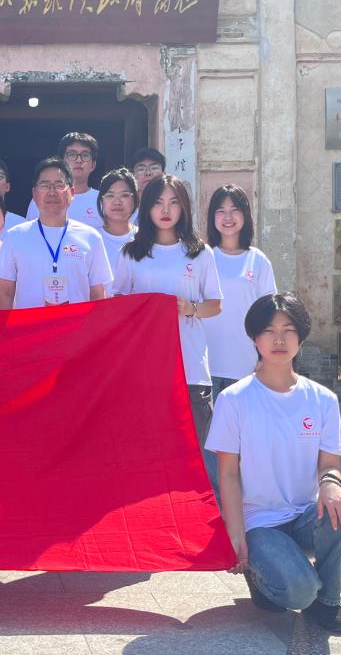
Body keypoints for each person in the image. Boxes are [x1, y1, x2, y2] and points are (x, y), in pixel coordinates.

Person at [205, 292, 341, 636]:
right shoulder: (234, 400)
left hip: (305, 515)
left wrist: (331, 484)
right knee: (299, 591)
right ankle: (264, 577)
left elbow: (329, 463)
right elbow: (228, 474)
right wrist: (235, 534)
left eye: (288, 330)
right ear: (254, 338)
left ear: (300, 337)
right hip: (261, 523)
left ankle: (328, 601)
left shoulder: (322, 399)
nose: (278, 340)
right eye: (269, 331)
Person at [111, 174, 221, 462]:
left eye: (174, 202)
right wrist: (139, 309)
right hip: (143, 368)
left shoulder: (200, 253)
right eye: (158, 203)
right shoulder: (131, 253)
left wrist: (190, 309)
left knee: (189, 456)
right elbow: (116, 303)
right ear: (147, 207)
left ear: (183, 207)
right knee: (146, 454)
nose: (166, 210)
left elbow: (215, 305)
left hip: (189, 366)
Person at [0, 157, 111, 309]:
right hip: (30, 324)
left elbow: (97, 293)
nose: (52, 192)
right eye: (45, 185)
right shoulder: (15, 236)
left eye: (59, 185)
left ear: (72, 192)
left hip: (77, 324)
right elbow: (5, 292)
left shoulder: (91, 237)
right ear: (34, 194)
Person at [203, 185, 277, 398]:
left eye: (234, 209)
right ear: (212, 217)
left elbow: (270, 316)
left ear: (245, 214)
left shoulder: (258, 260)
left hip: (247, 366)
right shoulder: (203, 258)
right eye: (221, 211)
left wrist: (265, 359)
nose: (228, 217)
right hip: (207, 368)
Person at [26, 132, 103, 229]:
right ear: (62, 161)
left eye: (85, 155)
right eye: (72, 154)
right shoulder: (44, 197)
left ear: (93, 165)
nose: (79, 160)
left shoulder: (102, 200)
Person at [96, 168, 137, 279]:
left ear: (134, 200)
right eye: (110, 195)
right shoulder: (91, 239)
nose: (117, 202)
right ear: (101, 201)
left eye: (124, 195)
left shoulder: (145, 238)